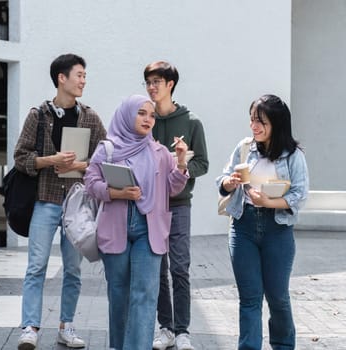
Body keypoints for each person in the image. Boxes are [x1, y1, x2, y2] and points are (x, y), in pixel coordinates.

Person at [15, 53, 106, 350]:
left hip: (78, 204)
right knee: (36, 266)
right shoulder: (38, 115)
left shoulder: (90, 117)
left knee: (73, 269)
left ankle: (66, 327)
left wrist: (79, 166)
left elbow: (107, 158)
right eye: (79, 75)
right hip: (45, 200)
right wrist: (49, 160)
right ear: (61, 78)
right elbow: (20, 158)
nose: (83, 80)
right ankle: (30, 327)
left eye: (84, 75)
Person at [84, 94, 189, 350]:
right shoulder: (108, 148)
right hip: (115, 228)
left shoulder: (160, 152)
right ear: (127, 115)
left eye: (152, 115)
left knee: (145, 295)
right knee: (119, 295)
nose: (148, 119)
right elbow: (90, 182)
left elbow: (172, 187)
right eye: (142, 113)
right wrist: (117, 193)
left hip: (149, 230)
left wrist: (182, 162)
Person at [215, 94, 309, 350]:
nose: (254, 126)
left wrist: (267, 202)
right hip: (242, 227)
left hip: (276, 230)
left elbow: (299, 195)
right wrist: (229, 182)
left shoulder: (293, 156)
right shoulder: (245, 147)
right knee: (250, 299)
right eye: (252, 120)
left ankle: (282, 345)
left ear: (277, 124)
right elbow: (221, 181)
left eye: (261, 121)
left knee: (277, 298)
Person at [143, 61, 209, 350]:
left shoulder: (192, 121)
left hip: (180, 204)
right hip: (150, 206)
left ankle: (183, 332)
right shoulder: (145, 119)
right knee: (157, 269)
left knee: (180, 268)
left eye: (157, 81)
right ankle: (166, 328)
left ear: (170, 84)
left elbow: (202, 163)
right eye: (148, 82)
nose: (151, 87)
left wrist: (179, 166)